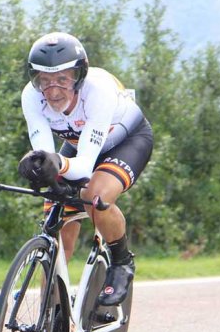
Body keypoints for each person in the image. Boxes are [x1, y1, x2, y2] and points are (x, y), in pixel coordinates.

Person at [17, 32, 153, 306]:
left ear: (79, 76)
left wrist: (58, 164)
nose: (53, 90)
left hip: (126, 140)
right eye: (44, 80)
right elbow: (47, 155)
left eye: (62, 80)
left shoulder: (98, 92)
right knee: (55, 221)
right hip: (78, 146)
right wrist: (39, 163)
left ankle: (122, 261)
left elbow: (82, 167)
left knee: (96, 196)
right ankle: (52, 320)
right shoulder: (31, 97)